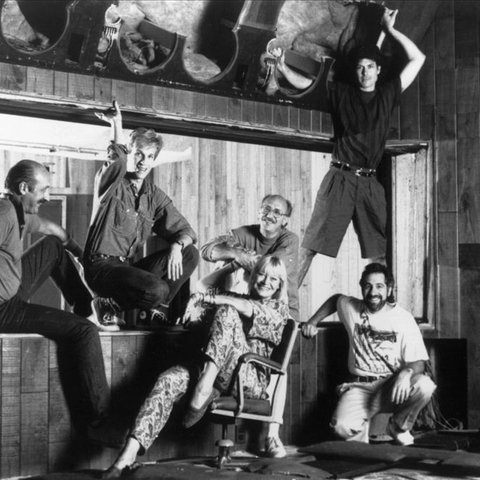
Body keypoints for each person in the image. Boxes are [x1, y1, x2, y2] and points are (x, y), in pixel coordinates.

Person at [274, 8, 426, 285]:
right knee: (309, 249)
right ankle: (285, 303)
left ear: (378, 71)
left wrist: (390, 30)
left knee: (378, 256)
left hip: (369, 183)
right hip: (340, 179)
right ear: (356, 71)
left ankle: (383, 304)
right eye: (360, 67)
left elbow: (419, 58)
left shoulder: (388, 94)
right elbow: (308, 85)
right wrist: (283, 68)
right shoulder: (342, 94)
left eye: (370, 67)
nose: (365, 72)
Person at [101, 255, 290, 478]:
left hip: (247, 382)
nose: (266, 281)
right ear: (252, 275)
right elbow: (203, 286)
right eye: (261, 274)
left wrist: (210, 299)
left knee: (227, 310)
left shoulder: (279, 310)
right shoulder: (238, 297)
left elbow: (245, 307)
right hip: (217, 374)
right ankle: (126, 457)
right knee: (168, 379)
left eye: (273, 279)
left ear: (280, 285)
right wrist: (234, 264)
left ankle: (204, 387)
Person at [0, 159, 110, 435]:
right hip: (3, 308)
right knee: (84, 332)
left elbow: (53, 231)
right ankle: (100, 424)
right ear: (24, 188)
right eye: (43, 190)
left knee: (53, 246)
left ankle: (87, 310)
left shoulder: (19, 213)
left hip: (13, 288)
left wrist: (82, 256)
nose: (47, 197)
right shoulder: (3, 214)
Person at [83, 100, 199, 330]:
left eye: (150, 156)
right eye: (138, 154)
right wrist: (117, 125)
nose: (143, 162)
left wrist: (177, 246)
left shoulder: (153, 195)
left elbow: (187, 232)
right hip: (101, 268)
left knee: (190, 254)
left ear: (155, 159)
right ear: (130, 153)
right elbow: (117, 160)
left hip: (127, 269)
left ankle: (152, 313)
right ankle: (106, 306)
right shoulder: (112, 184)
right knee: (158, 289)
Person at [199, 194, 299, 457]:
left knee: (277, 370)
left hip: (279, 310)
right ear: (259, 211)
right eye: (266, 208)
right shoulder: (243, 233)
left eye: (277, 212)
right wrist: (234, 253)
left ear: (285, 220)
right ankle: (208, 390)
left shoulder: (289, 240)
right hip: (248, 303)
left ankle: (272, 435)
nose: (270, 215)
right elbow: (207, 250)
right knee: (238, 350)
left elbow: (268, 269)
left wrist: (237, 255)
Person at [301, 262, 436, 445]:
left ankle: (398, 427)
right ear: (362, 288)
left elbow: (418, 362)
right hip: (360, 387)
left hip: (391, 386)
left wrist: (406, 373)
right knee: (341, 427)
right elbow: (335, 300)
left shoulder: (404, 318)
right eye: (368, 286)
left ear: (389, 289)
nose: (373, 292)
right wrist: (313, 321)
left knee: (425, 385)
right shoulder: (351, 308)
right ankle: (361, 440)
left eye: (379, 286)